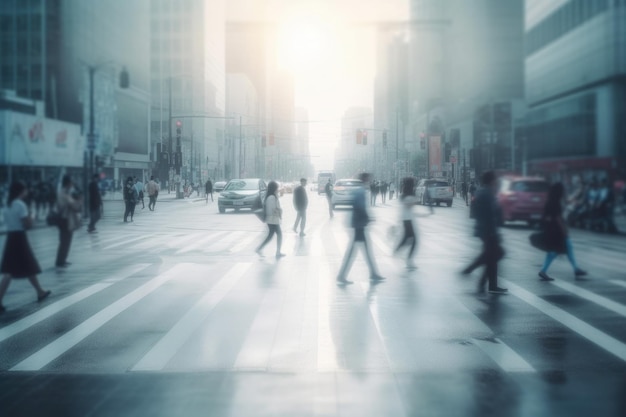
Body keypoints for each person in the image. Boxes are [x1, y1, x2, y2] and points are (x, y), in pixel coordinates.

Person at [0, 181, 51, 313]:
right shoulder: (20, 205)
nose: (27, 192)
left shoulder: (7, 205)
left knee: (27, 266)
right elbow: (27, 224)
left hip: (11, 237)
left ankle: (40, 291)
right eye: (25, 190)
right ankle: (39, 291)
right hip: (19, 238)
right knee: (14, 270)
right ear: (21, 191)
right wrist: (32, 218)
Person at [461, 171, 507, 294]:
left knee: (493, 256)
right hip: (487, 231)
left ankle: (486, 282)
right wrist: (493, 232)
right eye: (495, 179)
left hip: (484, 230)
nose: (497, 181)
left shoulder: (483, 192)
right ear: (491, 180)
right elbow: (490, 215)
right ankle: (476, 271)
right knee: (496, 254)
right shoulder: (487, 194)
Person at [336, 173, 385, 285]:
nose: (369, 180)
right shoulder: (361, 191)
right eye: (368, 179)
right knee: (356, 251)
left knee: (362, 250)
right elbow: (360, 207)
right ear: (365, 179)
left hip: (358, 224)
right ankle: (342, 275)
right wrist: (368, 218)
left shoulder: (359, 190)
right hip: (359, 225)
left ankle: (372, 273)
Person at [538, 183, 588, 281]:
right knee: (554, 251)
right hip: (556, 231)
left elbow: (547, 217)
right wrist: (564, 231)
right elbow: (558, 219)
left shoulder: (550, 201)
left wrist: (579, 192)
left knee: (566, 248)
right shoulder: (555, 203)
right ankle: (543, 270)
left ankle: (576, 269)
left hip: (550, 230)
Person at [394, 177, 430, 270]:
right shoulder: (407, 195)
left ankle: (398, 251)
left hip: (407, 220)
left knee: (407, 238)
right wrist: (414, 201)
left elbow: (410, 208)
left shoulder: (404, 195)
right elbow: (408, 206)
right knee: (413, 240)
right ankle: (408, 260)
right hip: (407, 220)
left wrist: (422, 214)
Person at [56, 175, 82, 268]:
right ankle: (60, 261)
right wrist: (79, 200)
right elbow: (74, 205)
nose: (72, 184)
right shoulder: (64, 193)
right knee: (65, 240)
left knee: (65, 240)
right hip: (65, 219)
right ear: (67, 183)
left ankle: (62, 260)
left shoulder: (64, 192)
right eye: (71, 182)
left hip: (65, 219)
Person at [256, 181, 285, 258]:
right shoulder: (271, 197)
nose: (278, 189)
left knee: (271, 235)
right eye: (277, 187)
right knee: (279, 234)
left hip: (272, 219)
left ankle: (260, 249)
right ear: (274, 188)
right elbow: (273, 209)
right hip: (272, 219)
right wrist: (280, 211)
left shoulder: (271, 196)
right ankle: (277, 252)